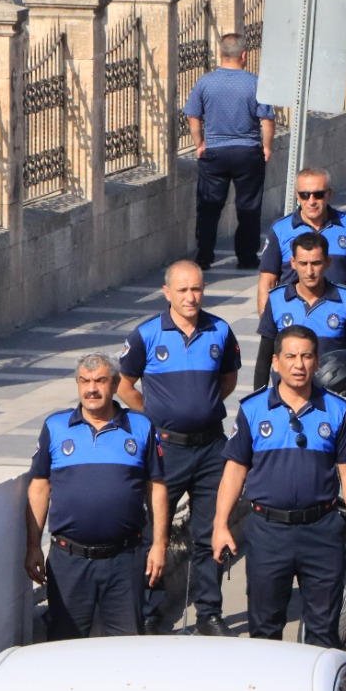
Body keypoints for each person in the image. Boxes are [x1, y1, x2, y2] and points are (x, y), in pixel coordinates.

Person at [213, 325, 346, 648]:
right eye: (291, 356)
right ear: (275, 361)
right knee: (265, 631)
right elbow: (234, 470)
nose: (299, 364)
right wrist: (220, 524)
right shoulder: (253, 409)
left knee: (324, 633)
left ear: (316, 361)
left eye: (307, 356)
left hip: (322, 531)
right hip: (267, 533)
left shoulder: (337, 410)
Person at [118, 260, 241, 636]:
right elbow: (124, 386)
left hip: (210, 450)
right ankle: (151, 610)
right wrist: (156, 416)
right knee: (154, 530)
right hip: (165, 451)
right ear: (167, 292)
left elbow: (228, 380)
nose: (191, 297)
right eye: (184, 290)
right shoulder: (146, 335)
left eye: (197, 289)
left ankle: (209, 612)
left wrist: (199, 410)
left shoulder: (220, 331)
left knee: (209, 533)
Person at [26, 354, 167, 640]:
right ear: (77, 384)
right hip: (69, 561)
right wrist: (32, 546)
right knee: (64, 645)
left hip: (125, 560)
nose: (92, 389)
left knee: (126, 647)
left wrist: (160, 545)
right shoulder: (56, 427)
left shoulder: (140, 427)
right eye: (85, 381)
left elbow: (156, 488)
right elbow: (39, 486)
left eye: (100, 381)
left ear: (115, 384)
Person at [256, 167, 346, 351]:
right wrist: (270, 330)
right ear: (297, 195)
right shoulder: (280, 230)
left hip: (337, 328)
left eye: (318, 194)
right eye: (305, 195)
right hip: (295, 330)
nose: (311, 201)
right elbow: (267, 283)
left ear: (329, 194)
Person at [184, 33, 274, 270]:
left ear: (220, 54)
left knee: (209, 206)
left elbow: (193, 115)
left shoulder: (205, 82)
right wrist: (266, 146)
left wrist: (199, 143)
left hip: (214, 152)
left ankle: (204, 256)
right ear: (244, 55)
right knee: (249, 206)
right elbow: (266, 119)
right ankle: (246, 256)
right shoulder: (255, 83)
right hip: (247, 152)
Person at [255, 232, 346, 388]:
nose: (309, 272)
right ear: (293, 263)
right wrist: (259, 400)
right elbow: (264, 357)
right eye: (303, 263)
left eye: (315, 263)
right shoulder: (276, 299)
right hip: (286, 400)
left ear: (328, 262)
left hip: (330, 398)